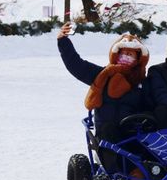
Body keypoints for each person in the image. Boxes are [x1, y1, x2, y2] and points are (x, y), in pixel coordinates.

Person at [57, 22, 150, 169]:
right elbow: (76, 65)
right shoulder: (102, 75)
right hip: (107, 132)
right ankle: (116, 169)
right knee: (109, 130)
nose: (126, 57)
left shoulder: (143, 82)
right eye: (123, 53)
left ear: (138, 59)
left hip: (133, 132)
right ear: (116, 55)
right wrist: (63, 41)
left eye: (130, 54)